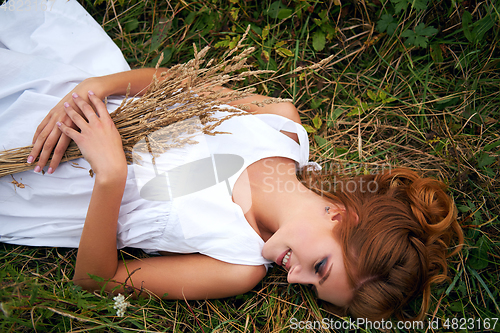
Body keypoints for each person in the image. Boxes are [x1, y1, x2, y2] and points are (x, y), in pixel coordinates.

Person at [0, 0, 462, 321]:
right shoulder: (281, 125)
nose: (294, 278)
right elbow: (178, 88)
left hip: (36, 186)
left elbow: (98, 281)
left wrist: (111, 176)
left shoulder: (236, 266)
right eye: (319, 268)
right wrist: (99, 87)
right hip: (73, 105)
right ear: (343, 214)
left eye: (312, 289)